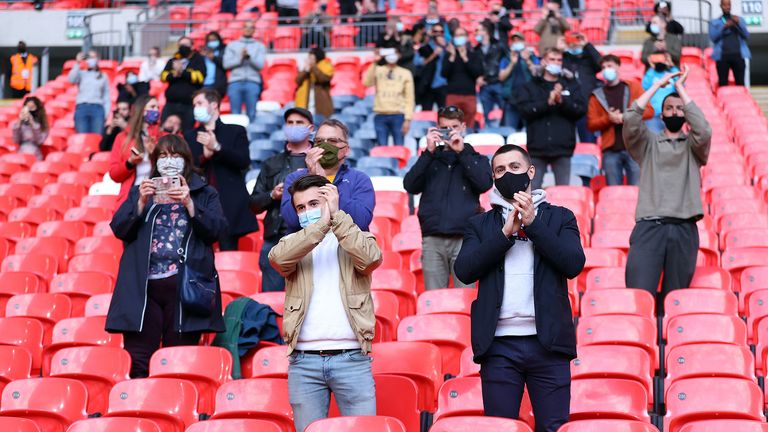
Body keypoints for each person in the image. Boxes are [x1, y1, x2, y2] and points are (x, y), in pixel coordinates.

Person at [454, 144, 584, 432]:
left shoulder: (561, 217)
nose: (507, 174)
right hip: (498, 346)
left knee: (554, 426)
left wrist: (533, 225)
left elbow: (573, 263)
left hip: (548, 344)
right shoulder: (480, 224)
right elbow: (464, 270)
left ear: (530, 171)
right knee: (501, 428)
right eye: (499, 170)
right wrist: (504, 234)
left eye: (514, 167)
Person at [107, 134, 227, 378]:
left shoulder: (204, 192)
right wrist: (140, 202)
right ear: (154, 161)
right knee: (139, 360)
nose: (169, 161)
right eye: (163, 156)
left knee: (179, 361)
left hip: (185, 288)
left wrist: (190, 204)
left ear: (186, 160)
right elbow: (119, 228)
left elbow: (217, 231)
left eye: (175, 156)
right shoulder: (141, 190)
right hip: (143, 289)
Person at [269, 174, 380, 432]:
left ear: (329, 201)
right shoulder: (291, 244)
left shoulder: (357, 237)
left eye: (313, 203)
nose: (307, 211)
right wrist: (319, 225)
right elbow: (278, 259)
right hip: (303, 362)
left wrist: (337, 217)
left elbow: (370, 259)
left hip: (352, 359)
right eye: (300, 207)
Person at [623, 67, 712, 305]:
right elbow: (631, 119)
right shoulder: (648, 143)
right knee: (639, 295)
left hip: (684, 228)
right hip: (650, 226)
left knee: (677, 299)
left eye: (680, 109)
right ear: (661, 115)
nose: (675, 112)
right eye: (669, 108)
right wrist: (656, 87)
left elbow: (703, 129)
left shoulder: (694, 147)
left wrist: (680, 89)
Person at [403, 106, 493, 290]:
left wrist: (462, 152)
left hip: (465, 240)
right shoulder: (430, 158)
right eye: (445, 128)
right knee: (435, 300)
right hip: (432, 239)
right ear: (437, 129)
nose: (450, 132)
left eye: (454, 127)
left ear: (463, 127)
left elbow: (484, 184)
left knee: (465, 300)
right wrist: (428, 152)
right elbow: (410, 185)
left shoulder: (476, 158)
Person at [183, 88, 258, 250]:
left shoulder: (235, 131)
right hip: (200, 202)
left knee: (228, 250)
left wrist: (217, 148)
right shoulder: (190, 135)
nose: (196, 107)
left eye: (200, 103)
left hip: (229, 204)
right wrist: (204, 156)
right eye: (194, 104)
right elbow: (188, 168)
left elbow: (243, 161)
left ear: (214, 105)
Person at [250, 108, 314, 292]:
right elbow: (253, 204)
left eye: (299, 123)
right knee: (272, 301)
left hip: (309, 238)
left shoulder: (320, 161)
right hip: (275, 240)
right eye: (290, 123)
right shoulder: (271, 162)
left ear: (310, 128)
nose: (293, 127)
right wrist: (272, 195)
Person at [281, 119, 375, 233]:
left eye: (332, 140)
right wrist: (311, 177)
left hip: (345, 246)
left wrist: (323, 182)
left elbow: (361, 221)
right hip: (307, 247)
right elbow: (292, 221)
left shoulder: (359, 179)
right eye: (319, 141)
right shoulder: (294, 178)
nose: (325, 145)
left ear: (347, 149)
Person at [514, 48, 586, 189]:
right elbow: (524, 111)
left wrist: (562, 101)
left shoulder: (571, 85)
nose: (556, 63)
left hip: (563, 148)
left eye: (559, 60)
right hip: (537, 148)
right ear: (543, 61)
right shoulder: (530, 86)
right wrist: (547, 102)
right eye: (552, 59)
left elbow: (580, 110)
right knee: (533, 195)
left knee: (563, 194)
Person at [587, 55, 653, 186]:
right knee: (613, 191)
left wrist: (626, 117)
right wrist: (608, 119)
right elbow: (591, 124)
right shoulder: (596, 96)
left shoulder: (633, 87)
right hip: (610, 149)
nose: (607, 69)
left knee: (637, 190)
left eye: (610, 66)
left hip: (634, 146)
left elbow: (649, 111)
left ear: (618, 67)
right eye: (604, 67)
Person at [109, 95, 162, 211]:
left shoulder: (162, 137)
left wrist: (155, 154)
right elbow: (114, 174)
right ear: (142, 111)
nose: (156, 110)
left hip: (157, 195)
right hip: (131, 196)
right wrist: (130, 163)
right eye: (152, 107)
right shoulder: (122, 138)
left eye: (158, 107)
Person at [363, 47, 415, 146]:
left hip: (398, 115)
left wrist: (407, 119)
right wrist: (375, 62)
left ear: (399, 55)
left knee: (399, 147)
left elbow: (409, 98)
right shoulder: (378, 70)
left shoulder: (405, 73)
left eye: (394, 52)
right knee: (382, 148)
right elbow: (366, 82)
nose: (392, 56)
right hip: (380, 115)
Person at [223, 21, 267, 123]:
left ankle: (251, 137)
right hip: (235, 82)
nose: (248, 29)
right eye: (246, 27)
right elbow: (226, 64)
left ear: (254, 30)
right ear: (242, 29)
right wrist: (240, 58)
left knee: (252, 114)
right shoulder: (232, 45)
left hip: (253, 82)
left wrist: (249, 57)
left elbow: (260, 65)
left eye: (251, 27)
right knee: (235, 114)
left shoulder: (259, 46)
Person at [562, 33, 601, 143]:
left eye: (577, 44)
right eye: (572, 44)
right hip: (568, 106)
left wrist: (587, 44)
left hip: (587, 106)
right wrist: (561, 48)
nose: (575, 46)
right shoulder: (564, 59)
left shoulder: (588, 60)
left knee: (588, 141)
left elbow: (600, 63)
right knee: (566, 142)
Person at [161, 37, 206, 131]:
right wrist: (175, 74)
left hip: (188, 104)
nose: (183, 47)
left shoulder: (198, 60)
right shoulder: (173, 60)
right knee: (164, 129)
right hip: (171, 103)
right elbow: (163, 76)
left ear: (192, 46)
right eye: (181, 45)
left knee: (187, 132)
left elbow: (200, 77)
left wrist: (182, 72)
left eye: (185, 45)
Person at [441, 28, 482, 128]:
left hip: (469, 95)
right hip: (452, 94)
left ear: (467, 37)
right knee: (451, 124)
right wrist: (452, 57)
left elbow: (477, 73)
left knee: (469, 125)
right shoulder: (449, 55)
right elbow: (444, 74)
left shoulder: (473, 55)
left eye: (462, 35)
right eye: (457, 35)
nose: (459, 38)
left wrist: (465, 59)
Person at [500, 33, 538, 131]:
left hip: (529, 100)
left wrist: (528, 60)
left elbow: (537, 74)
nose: (516, 42)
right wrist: (512, 63)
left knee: (530, 131)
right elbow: (501, 77)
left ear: (524, 42)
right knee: (509, 131)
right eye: (514, 40)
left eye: (519, 40)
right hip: (511, 100)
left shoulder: (532, 57)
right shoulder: (506, 59)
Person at [709, 0, 751, 87]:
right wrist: (724, 27)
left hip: (738, 56)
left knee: (740, 84)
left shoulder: (738, 19)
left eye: (729, 5)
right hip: (722, 58)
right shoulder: (715, 22)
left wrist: (739, 23)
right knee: (723, 84)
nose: (727, 7)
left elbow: (746, 35)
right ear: (721, 6)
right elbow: (713, 37)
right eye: (724, 5)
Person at [69, 50, 111, 134]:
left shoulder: (103, 76)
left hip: (97, 109)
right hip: (82, 108)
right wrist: (77, 63)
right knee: (82, 137)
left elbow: (106, 96)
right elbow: (71, 79)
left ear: (98, 59)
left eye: (93, 57)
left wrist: (106, 113)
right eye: (89, 57)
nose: (91, 59)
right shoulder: (81, 74)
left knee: (97, 138)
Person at [475, 22, 507, 128]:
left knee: (505, 111)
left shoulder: (499, 45)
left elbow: (507, 59)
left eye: (479, 30)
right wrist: (477, 77)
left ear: (486, 31)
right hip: (485, 84)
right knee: (486, 113)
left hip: (498, 82)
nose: (476, 33)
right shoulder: (476, 49)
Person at [642, 51, 680, 133]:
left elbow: (681, 86)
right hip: (654, 115)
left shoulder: (671, 74)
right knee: (654, 141)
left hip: (672, 114)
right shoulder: (651, 74)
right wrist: (651, 67)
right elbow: (645, 87)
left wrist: (672, 66)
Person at [414, 23, 448, 110]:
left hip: (442, 84)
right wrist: (433, 55)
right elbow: (417, 62)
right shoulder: (425, 47)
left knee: (445, 113)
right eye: (436, 31)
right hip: (428, 84)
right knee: (426, 112)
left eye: (441, 32)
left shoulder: (447, 47)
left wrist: (445, 46)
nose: (438, 34)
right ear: (432, 33)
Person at [295, 48, 334, 124]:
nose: (309, 60)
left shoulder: (326, 66)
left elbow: (322, 78)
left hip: (321, 108)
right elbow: (297, 81)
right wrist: (305, 70)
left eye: (312, 58)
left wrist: (313, 67)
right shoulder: (307, 69)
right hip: (307, 106)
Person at [11, 96, 48, 160]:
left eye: (32, 108)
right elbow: (16, 140)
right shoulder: (21, 124)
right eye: (28, 108)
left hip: (35, 154)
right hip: (22, 153)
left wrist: (32, 123)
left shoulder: (42, 125)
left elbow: (39, 141)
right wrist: (19, 122)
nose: (29, 110)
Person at [202, 32, 229, 99]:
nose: (212, 42)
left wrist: (214, 58)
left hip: (218, 85)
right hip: (204, 84)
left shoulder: (224, 50)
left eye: (214, 40)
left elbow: (226, 65)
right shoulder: (202, 52)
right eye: (210, 40)